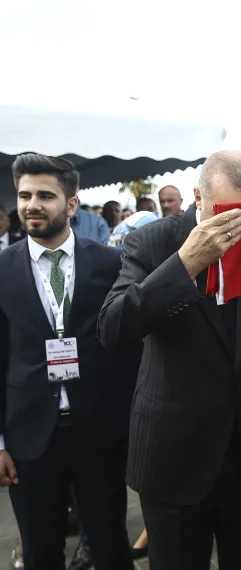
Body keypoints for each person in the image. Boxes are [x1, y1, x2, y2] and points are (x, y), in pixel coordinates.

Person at [97, 150, 241, 569]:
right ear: (197, 198)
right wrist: (186, 264)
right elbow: (113, 328)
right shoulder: (155, 241)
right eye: (226, 211)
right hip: (173, 452)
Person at [0, 153, 140, 570]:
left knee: (111, 545)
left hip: (98, 432)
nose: (32, 205)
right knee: (41, 552)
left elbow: (129, 350)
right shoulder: (2, 271)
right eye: (25, 195)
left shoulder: (111, 264)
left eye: (45, 195)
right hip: (30, 437)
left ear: (72, 204)